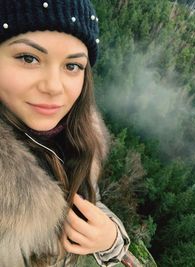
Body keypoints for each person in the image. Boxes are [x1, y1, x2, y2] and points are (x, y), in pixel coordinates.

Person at [0, 0, 130, 266]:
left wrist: (112, 239)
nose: (54, 87)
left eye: (72, 66)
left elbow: (88, 204)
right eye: (29, 58)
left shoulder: (76, 137)